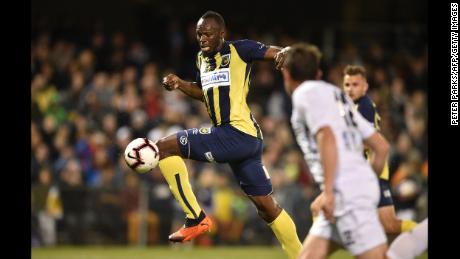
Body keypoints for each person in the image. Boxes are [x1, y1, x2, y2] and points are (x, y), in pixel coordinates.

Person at [159, 10, 302, 258]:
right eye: (199, 34)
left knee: (163, 147)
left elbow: (276, 50)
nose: (202, 38)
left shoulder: (240, 49)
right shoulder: (200, 60)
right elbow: (203, 92)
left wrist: (285, 52)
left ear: (221, 35)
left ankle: (195, 217)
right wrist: (180, 84)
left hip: (236, 132)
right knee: (267, 208)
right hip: (241, 138)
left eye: (208, 34)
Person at [282, 43, 390, 259]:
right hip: (348, 190)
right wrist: (364, 180)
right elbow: (381, 146)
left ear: (286, 74)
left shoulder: (304, 94)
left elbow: (326, 136)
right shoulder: (335, 94)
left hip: (344, 195)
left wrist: (331, 192)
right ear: (318, 73)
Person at [310, 65, 417, 237]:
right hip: (367, 169)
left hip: (369, 167)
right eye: (347, 85)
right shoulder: (350, 107)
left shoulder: (364, 106)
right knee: (389, 225)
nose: (350, 89)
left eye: (355, 84)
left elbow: (368, 143)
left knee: (318, 207)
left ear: (365, 87)